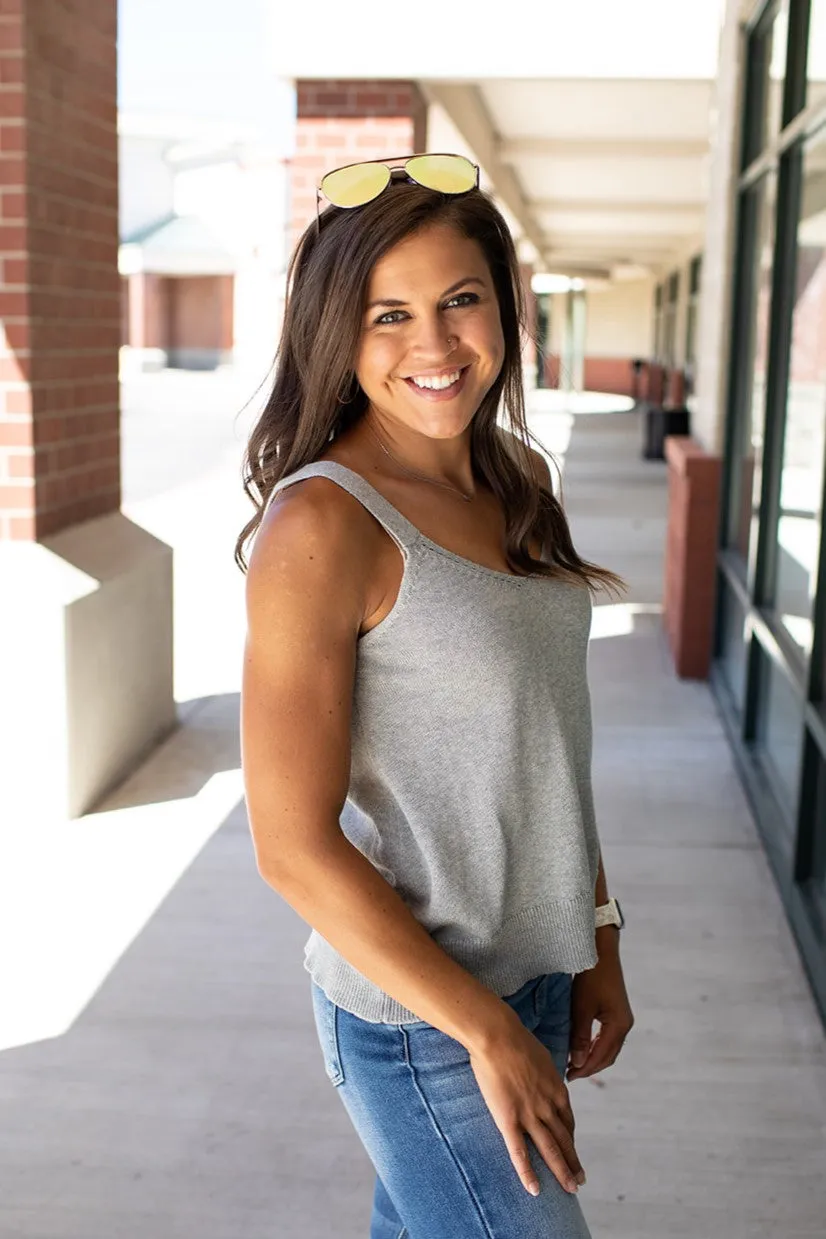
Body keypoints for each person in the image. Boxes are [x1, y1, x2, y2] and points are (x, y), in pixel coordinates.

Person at [237, 153, 635, 1239]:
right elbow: (290, 844)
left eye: (460, 300)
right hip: (422, 1019)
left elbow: (548, 741)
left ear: (504, 306)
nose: (433, 344)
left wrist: (597, 939)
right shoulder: (323, 527)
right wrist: (486, 1035)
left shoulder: (518, 480)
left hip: (536, 977)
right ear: (335, 334)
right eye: (387, 314)